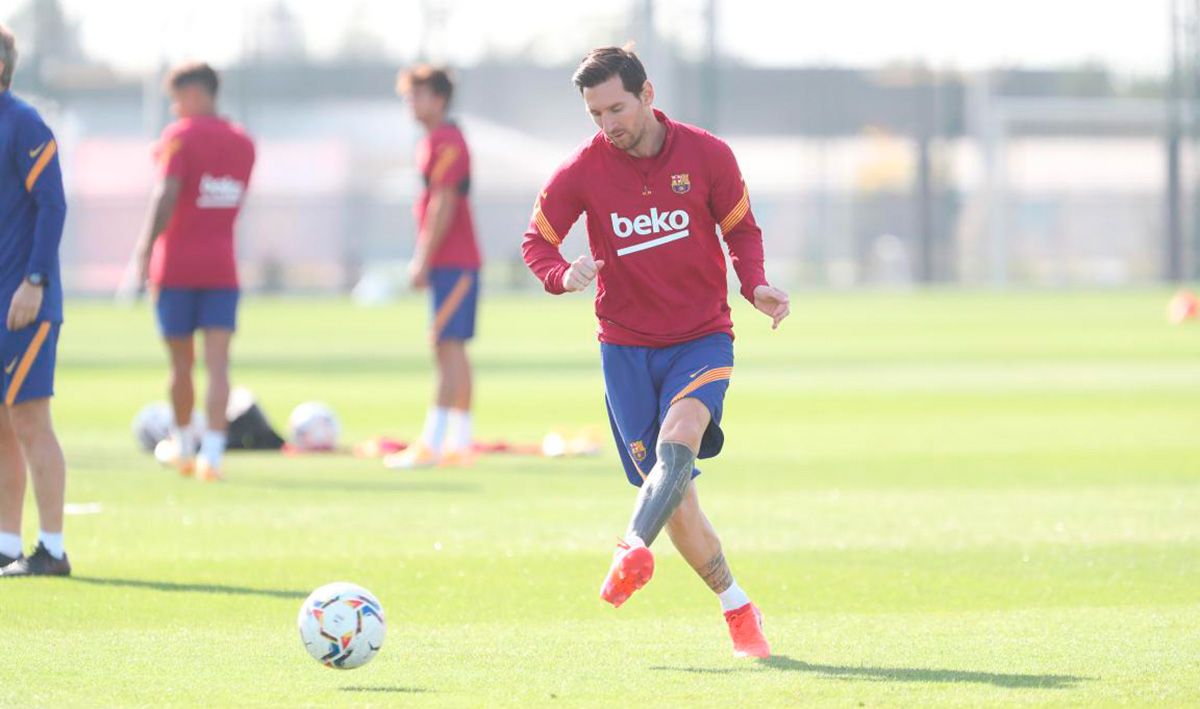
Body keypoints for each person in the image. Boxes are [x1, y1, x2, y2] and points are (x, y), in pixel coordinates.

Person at [521, 46, 790, 658]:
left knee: (681, 436)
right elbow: (536, 240)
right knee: (676, 500)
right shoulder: (581, 171)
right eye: (595, 113)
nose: (607, 123)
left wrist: (754, 285)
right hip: (625, 349)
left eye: (616, 106)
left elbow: (740, 229)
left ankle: (628, 547)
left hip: (701, 337)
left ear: (647, 94)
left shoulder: (707, 154)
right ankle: (736, 605)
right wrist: (561, 275)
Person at [130, 62, 255, 482]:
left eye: (177, 97)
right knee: (219, 365)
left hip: (178, 266)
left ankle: (184, 445)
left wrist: (144, 251)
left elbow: (167, 193)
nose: (174, 107)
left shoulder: (180, 137)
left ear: (196, 93)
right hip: (222, 265)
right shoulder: (243, 142)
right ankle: (213, 455)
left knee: (180, 365)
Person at [0, 24, 71, 576]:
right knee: (2, 424)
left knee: (29, 420)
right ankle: (6, 542)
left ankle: (51, 547)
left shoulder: (23, 122)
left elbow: (52, 205)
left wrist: (36, 280)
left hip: (23, 301)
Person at [385, 66, 482, 470]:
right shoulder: (436, 140)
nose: (411, 104)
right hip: (455, 262)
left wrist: (422, 258)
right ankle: (459, 441)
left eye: (418, 95)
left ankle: (434, 442)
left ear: (438, 99)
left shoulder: (445, 141)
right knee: (451, 349)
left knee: (445, 349)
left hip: (453, 261)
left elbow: (443, 202)